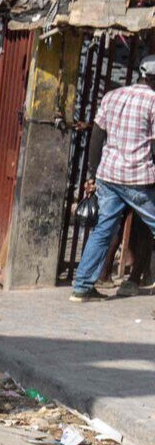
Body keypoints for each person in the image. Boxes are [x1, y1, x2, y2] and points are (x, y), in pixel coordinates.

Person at [71, 56, 155, 301]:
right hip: (137, 177)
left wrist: (93, 173)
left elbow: (97, 137)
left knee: (102, 230)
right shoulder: (153, 102)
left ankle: (81, 287)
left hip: (108, 175)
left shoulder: (112, 96)